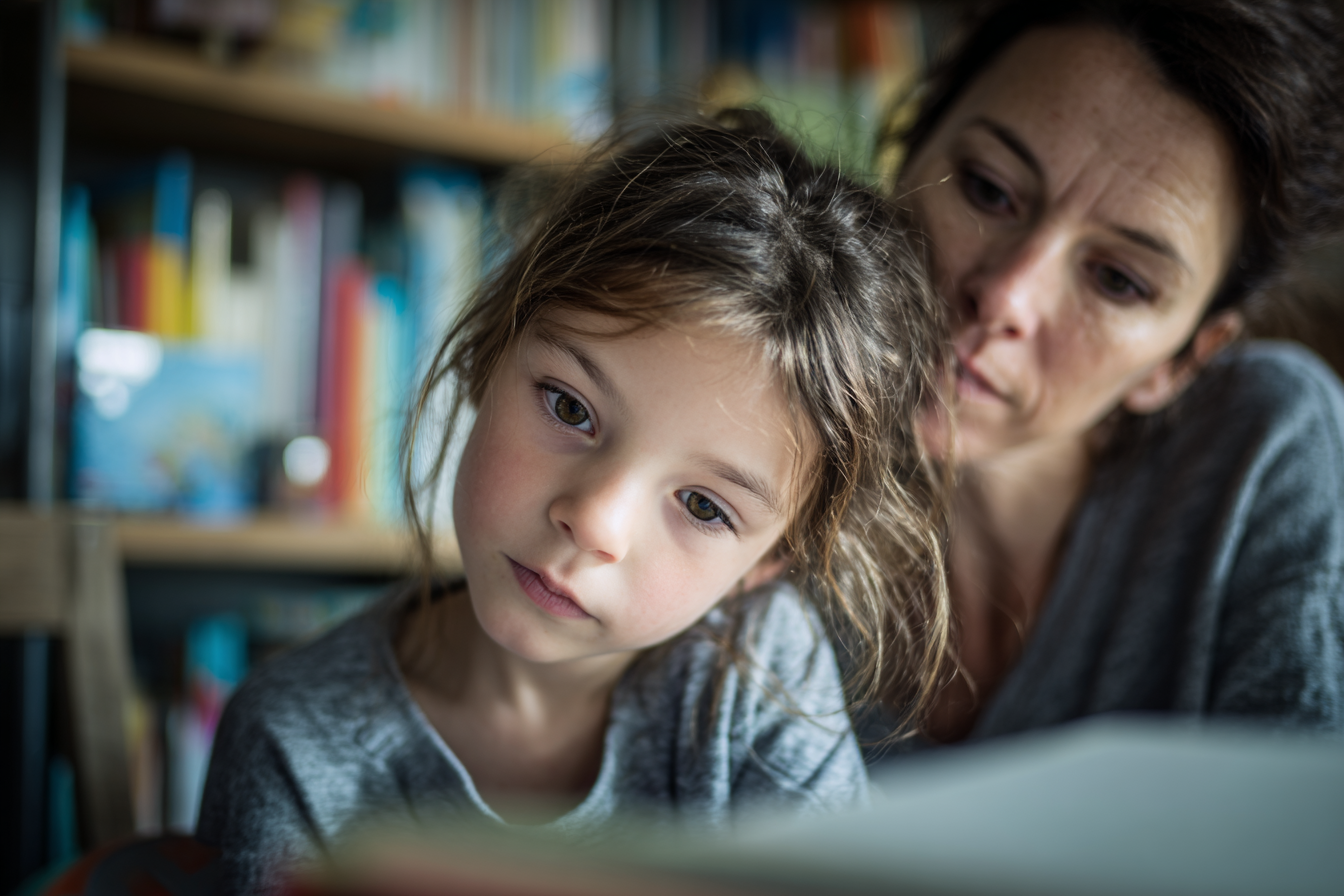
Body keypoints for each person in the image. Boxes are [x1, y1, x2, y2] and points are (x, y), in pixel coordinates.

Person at [196, 111, 951, 894]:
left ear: (770, 562)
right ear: (489, 355)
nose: (594, 522)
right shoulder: (292, 740)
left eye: (701, 505)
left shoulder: (761, 670)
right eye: (569, 408)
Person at [862, 0, 1344, 753]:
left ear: (1183, 361)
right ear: (911, 153)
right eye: (989, 190)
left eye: (1118, 279)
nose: (1007, 295)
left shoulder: (1260, 454)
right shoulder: (722, 438)